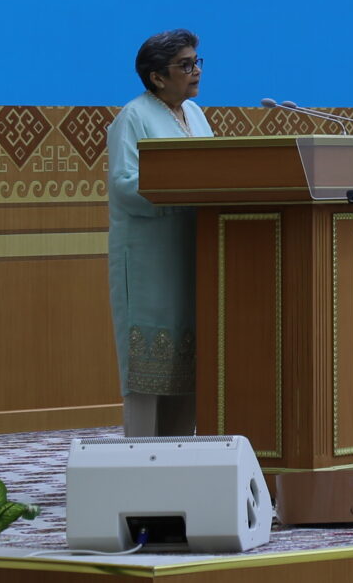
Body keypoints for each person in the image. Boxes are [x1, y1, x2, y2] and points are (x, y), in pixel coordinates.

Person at [106, 28, 214, 437]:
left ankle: (179, 455)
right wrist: (183, 195)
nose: (196, 71)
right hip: (149, 259)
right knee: (148, 370)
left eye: (196, 62)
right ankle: (140, 456)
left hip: (192, 251)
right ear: (157, 76)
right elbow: (124, 185)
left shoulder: (196, 114)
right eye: (185, 65)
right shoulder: (133, 116)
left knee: (189, 366)